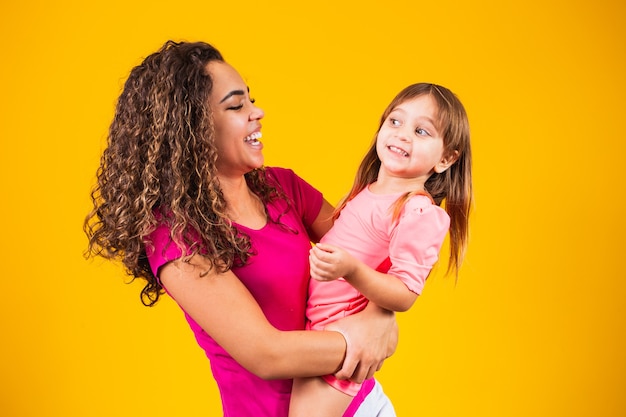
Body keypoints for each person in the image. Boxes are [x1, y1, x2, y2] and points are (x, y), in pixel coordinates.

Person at [83, 40, 398, 417]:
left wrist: (381, 314)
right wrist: (367, 337)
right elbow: (267, 354)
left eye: (251, 99)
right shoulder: (177, 238)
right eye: (236, 106)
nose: (257, 112)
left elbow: (374, 254)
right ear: (192, 129)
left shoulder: (284, 187)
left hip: (365, 404)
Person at [289, 83, 473, 417]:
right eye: (395, 121)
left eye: (421, 131)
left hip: (342, 341)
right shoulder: (367, 190)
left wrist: (351, 270)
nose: (402, 135)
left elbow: (405, 293)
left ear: (446, 159)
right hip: (320, 331)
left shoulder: (418, 211)